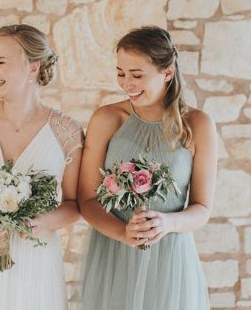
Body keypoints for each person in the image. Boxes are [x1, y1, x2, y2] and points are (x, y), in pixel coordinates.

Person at [0, 24, 83, 310]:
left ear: (33, 68)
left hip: (35, 260)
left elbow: (74, 204)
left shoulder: (66, 132)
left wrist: (40, 223)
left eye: (1, 62)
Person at [79, 26, 216, 310]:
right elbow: (87, 200)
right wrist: (123, 233)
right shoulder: (106, 119)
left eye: (137, 75)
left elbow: (202, 207)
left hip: (170, 257)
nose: (126, 83)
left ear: (167, 73)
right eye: (121, 73)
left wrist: (168, 224)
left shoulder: (198, 125)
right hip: (113, 251)